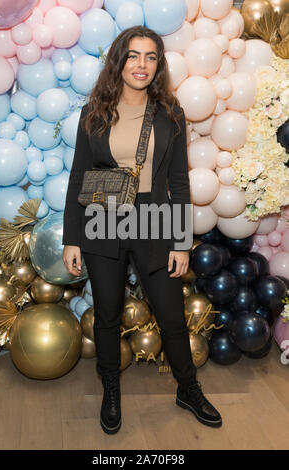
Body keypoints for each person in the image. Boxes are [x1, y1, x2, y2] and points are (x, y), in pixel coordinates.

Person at [62, 25, 222, 434]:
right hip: (102, 219)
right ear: (120, 60)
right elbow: (79, 176)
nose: (142, 65)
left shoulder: (170, 113)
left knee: (171, 315)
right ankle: (110, 387)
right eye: (133, 55)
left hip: (154, 220)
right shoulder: (94, 112)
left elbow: (179, 181)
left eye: (151, 57)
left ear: (159, 64)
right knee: (108, 316)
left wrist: (181, 240)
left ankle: (188, 388)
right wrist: (72, 237)